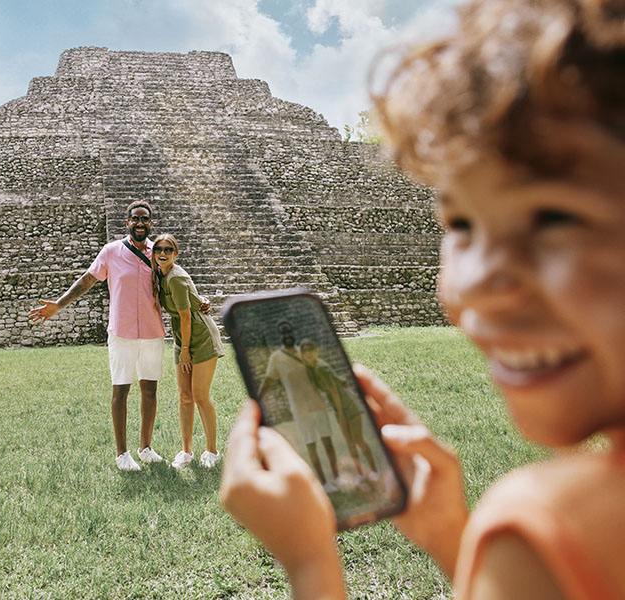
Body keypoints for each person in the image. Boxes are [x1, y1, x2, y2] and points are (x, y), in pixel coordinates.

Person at [220, 0, 625, 598]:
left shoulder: (544, 529)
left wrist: (310, 564)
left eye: (554, 216)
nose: (478, 281)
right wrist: (447, 534)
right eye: (459, 223)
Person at [28, 200, 166, 471]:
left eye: (144, 219)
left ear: (151, 223)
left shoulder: (159, 252)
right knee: (121, 389)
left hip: (151, 331)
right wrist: (58, 304)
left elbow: (176, 280)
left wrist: (200, 301)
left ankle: (146, 447)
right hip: (122, 331)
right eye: (135, 219)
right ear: (128, 223)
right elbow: (88, 280)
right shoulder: (111, 252)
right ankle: (122, 453)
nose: (140, 223)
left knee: (150, 390)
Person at [151, 233, 224, 468]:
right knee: (184, 397)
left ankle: (212, 451)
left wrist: (185, 350)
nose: (162, 253)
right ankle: (186, 451)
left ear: (176, 253)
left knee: (200, 396)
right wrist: (181, 346)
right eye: (158, 249)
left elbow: (185, 315)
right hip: (182, 334)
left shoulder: (175, 278)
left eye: (168, 250)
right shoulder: (158, 275)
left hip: (200, 336)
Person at [257, 322, 343, 492]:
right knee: (311, 444)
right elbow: (268, 381)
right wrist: (256, 400)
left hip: (317, 403)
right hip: (299, 407)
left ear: (293, 333)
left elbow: (321, 369)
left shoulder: (304, 351)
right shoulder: (276, 358)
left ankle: (338, 478)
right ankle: (324, 483)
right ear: (280, 336)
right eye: (283, 333)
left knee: (327, 442)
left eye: (289, 331)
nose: (287, 335)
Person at [299, 339, 378, 479]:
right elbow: (338, 380)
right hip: (339, 408)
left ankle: (373, 471)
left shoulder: (320, 368)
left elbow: (334, 392)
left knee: (358, 440)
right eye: (304, 351)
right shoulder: (312, 368)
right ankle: (360, 475)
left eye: (311, 349)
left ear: (316, 351)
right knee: (350, 443)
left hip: (348, 406)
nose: (308, 353)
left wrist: (341, 414)